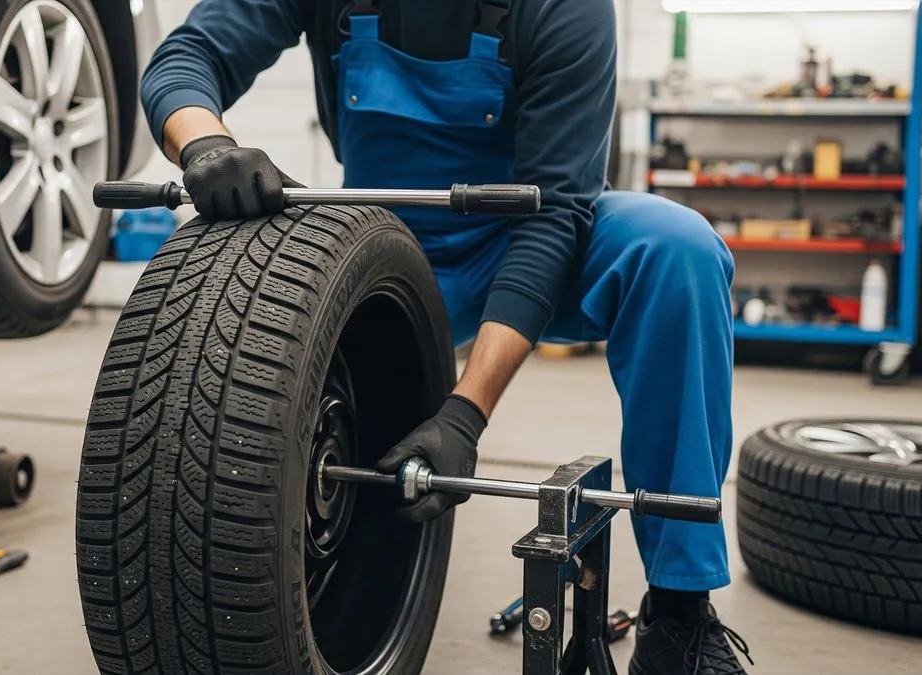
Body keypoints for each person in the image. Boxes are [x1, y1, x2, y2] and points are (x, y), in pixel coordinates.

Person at [139, 1, 752, 673]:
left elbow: (553, 217)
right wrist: (206, 144)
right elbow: (187, 56)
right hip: (379, 237)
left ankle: (679, 613)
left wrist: (465, 414)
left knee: (678, 252)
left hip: (528, 234)